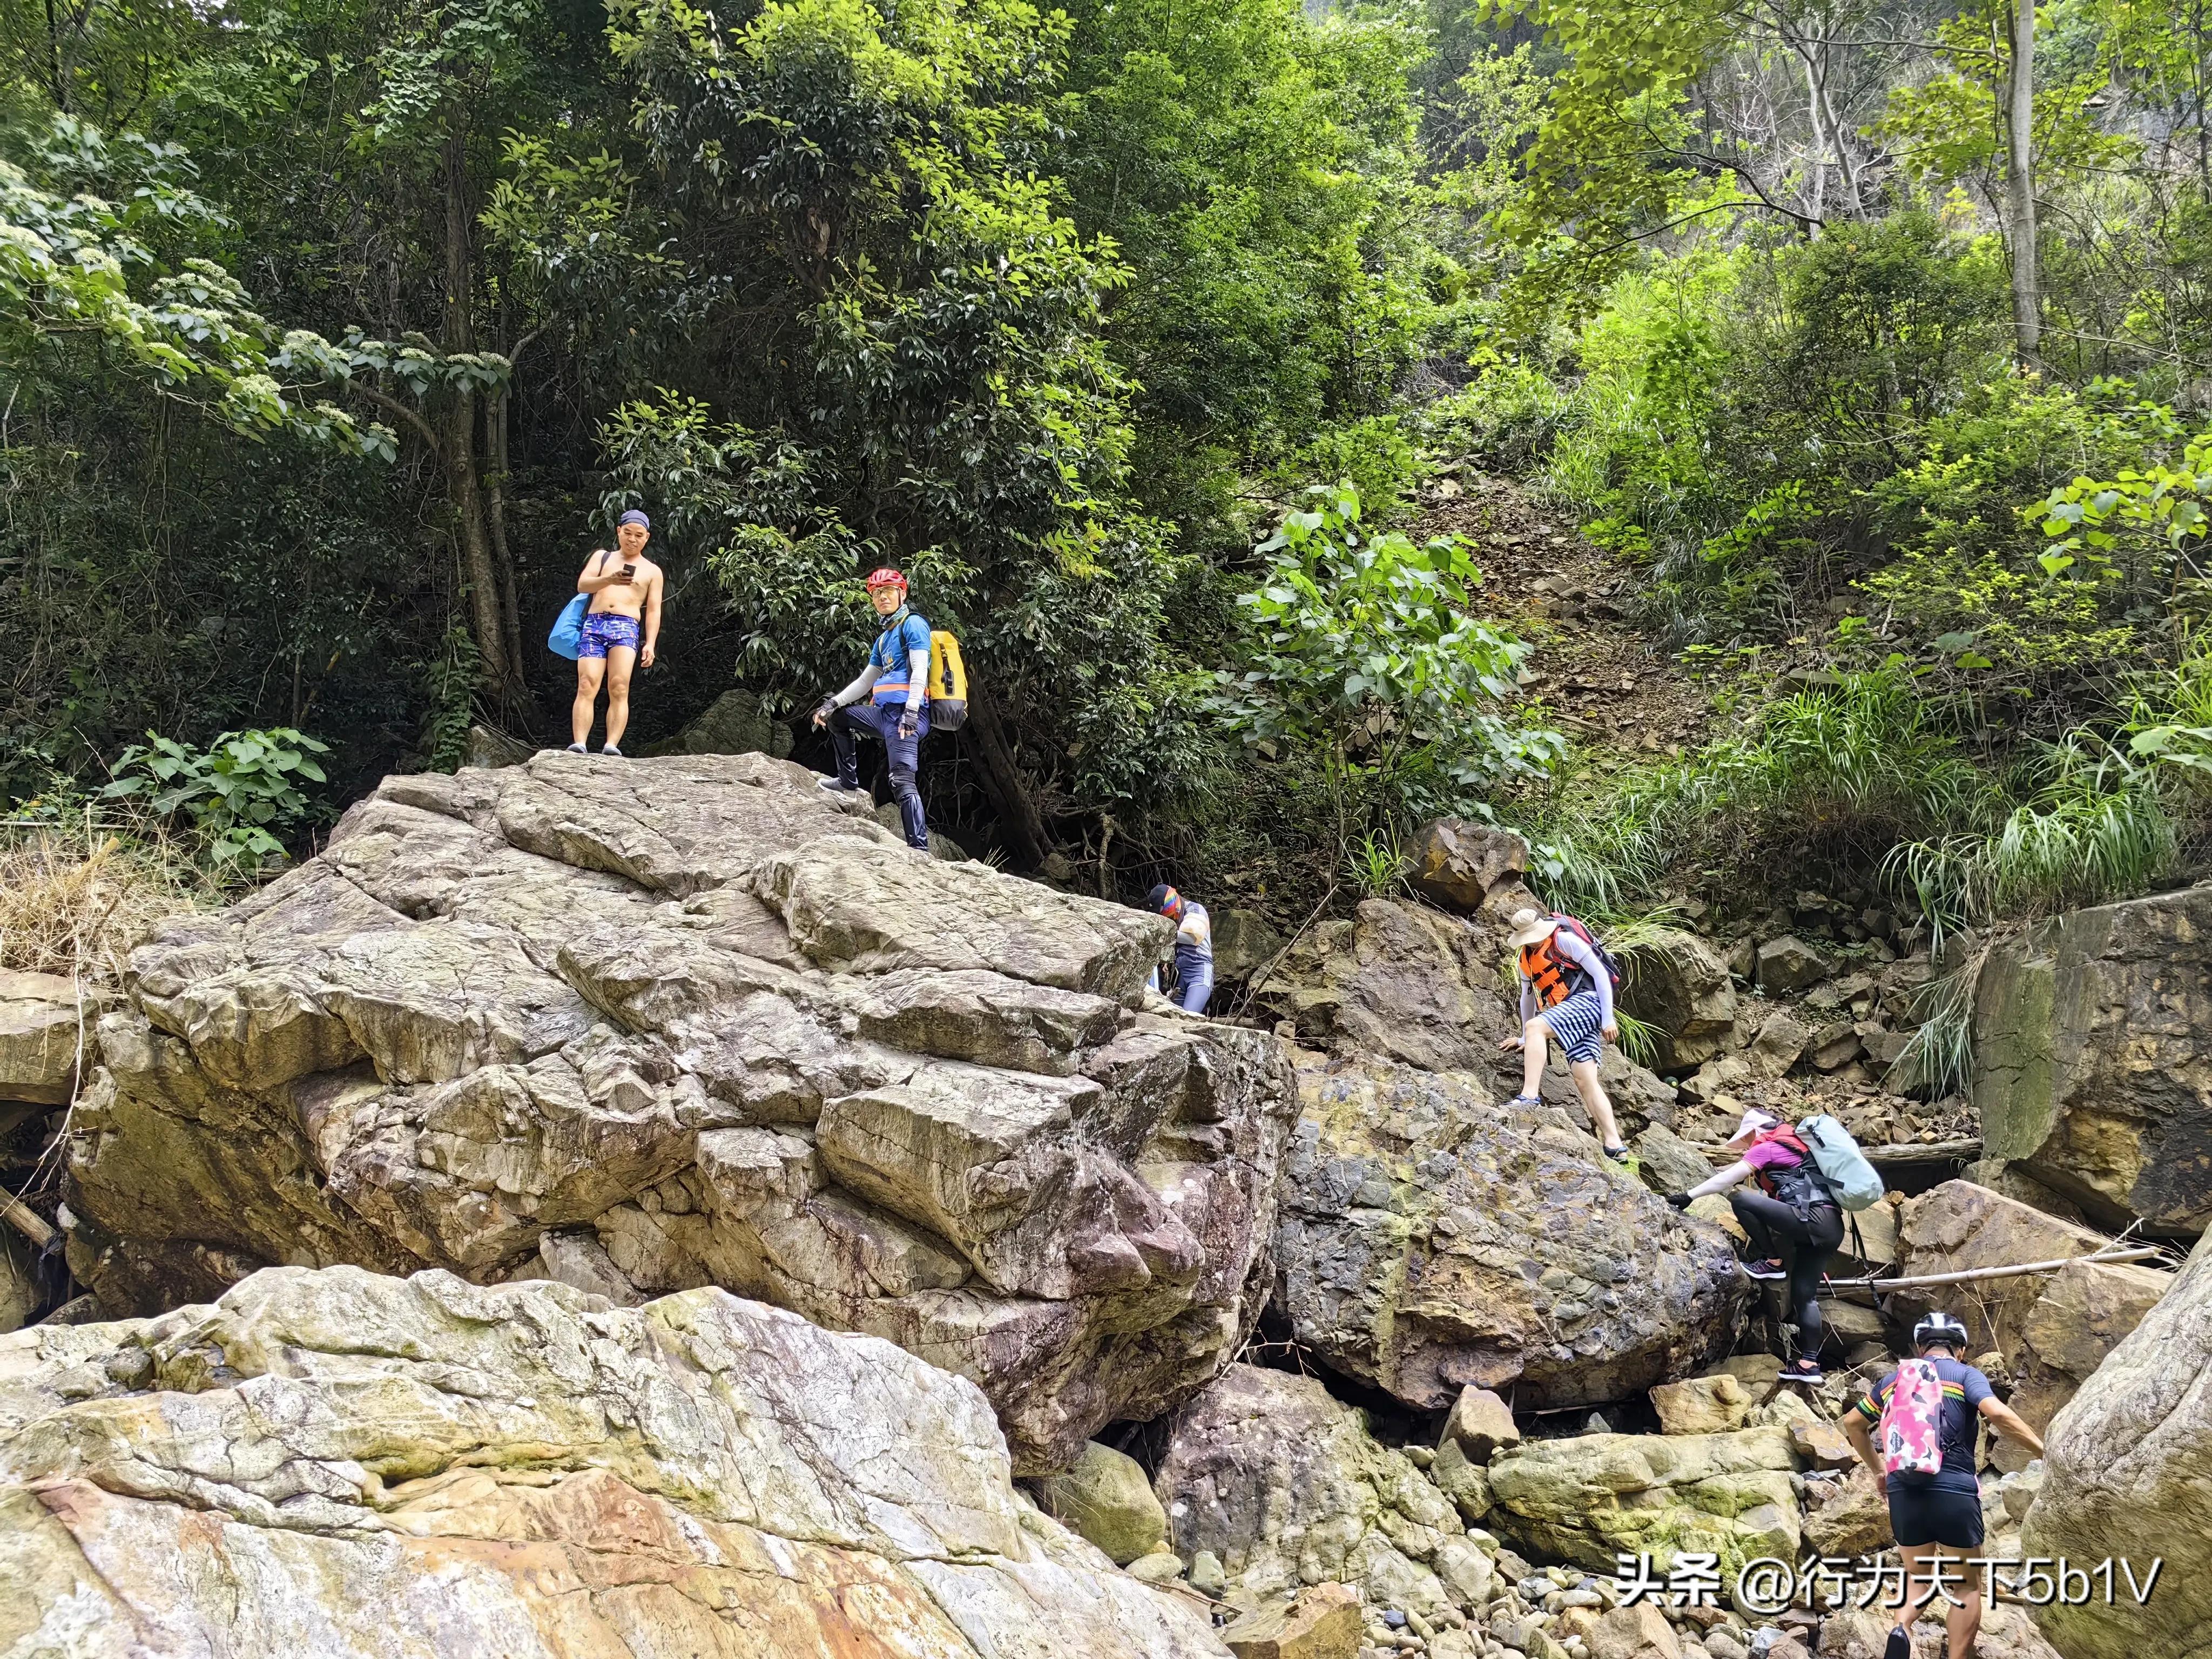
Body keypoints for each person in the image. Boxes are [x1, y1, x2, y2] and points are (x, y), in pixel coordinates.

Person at [1840, 1312, 2046, 1659]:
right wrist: (2045, 1451)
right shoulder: (1966, 1375)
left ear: (1922, 1348)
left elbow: (1853, 1422)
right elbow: (1997, 1414)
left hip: (1904, 1489)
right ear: (1961, 1350)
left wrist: (1880, 1470)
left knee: (1918, 1574)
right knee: (1966, 1585)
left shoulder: (1893, 1381)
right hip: (1954, 1489)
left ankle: (1901, 1627)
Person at [1663, 1106, 1843, 1381]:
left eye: (1747, 1138)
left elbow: (1728, 1180)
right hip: (1830, 1228)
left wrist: (1689, 1195)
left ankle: (1772, 1261)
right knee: (1805, 1297)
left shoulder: (1768, 1148)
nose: (1747, 1145)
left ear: (1756, 1131)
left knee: (1740, 1198)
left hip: (1810, 1220)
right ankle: (1810, 1365)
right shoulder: (1803, 1153)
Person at [813, 566, 933, 849]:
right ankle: (848, 784)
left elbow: (920, 672)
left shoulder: (913, 625)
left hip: (908, 714)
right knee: (839, 719)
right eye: (877, 593)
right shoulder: (883, 639)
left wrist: (912, 712)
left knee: (902, 780)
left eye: (888, 591)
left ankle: (919, 849)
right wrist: (832, 703)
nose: (882, 597)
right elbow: (866, 680)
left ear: (901, 594)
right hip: (884, 715)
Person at [1499, 907, 1628, 1161]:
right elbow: (1528, 998)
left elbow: (1601, 975)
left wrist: (1608, 1017)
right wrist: (1526, 1036)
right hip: (1568, 1011)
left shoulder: (1564, 940)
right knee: (1584, 1078)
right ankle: (1615, 1145)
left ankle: (1529, 1096)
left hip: (1589, 1002)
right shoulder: (1525, 959)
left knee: (1537, 1026)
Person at [570, 509, 663, 757]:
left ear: (647, 538)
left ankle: (611, 745)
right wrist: (609, 579)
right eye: (628, 533)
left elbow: (654, 610)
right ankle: (580, 743)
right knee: (587, 683)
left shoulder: (652, 571)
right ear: (619, 531)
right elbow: (583, 584)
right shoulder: (603, 557)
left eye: (639, 535)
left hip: (626, 627)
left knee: (619, 686)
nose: (632, 539)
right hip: (595, 623)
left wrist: (650, 643)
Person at [1145, 883, 1214, 1014]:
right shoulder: (1175, 916)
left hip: (1198, 972)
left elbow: (1192, 938)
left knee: (1188, 1016)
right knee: (1173, 1019)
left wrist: (1160, 932)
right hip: (1179, 976)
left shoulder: (1195, 909)